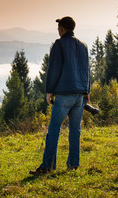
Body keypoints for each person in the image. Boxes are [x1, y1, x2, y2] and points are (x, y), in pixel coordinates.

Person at [30, 16, 90, 175]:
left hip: (64, 94)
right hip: (79, 96)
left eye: (58, 27)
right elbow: (86, 70)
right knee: (75, 131)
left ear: (63, 29)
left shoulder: (59, 45)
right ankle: (73, 165)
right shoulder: (83, 46)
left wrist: (49, 91)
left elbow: (54, 69)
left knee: (54, 130)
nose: (57, 30)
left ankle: (47, 167)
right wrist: (86, 91)